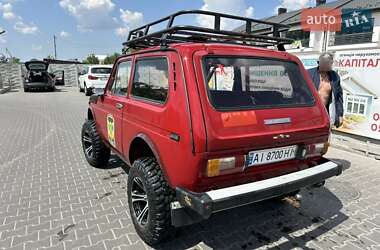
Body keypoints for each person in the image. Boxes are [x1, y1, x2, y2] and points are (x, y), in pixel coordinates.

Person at [308, 52, 343, 127]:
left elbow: (339, 96)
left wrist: (340, 115)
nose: (327, 65)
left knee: (324, 135)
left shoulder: (335, 77)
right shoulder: (308, 74)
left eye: (329, 63)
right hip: (309, 113)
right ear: (318, 63)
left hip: (325, 113)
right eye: (324, 63)